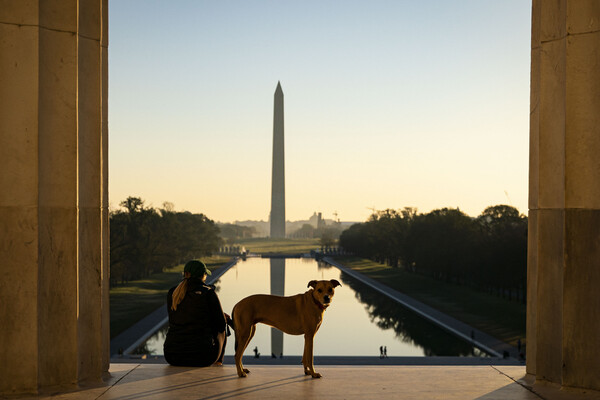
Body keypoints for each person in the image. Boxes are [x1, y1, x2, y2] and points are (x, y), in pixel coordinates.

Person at [163, 260, 230, 367]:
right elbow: (220, 324)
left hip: (172, 356)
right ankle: (218, 363)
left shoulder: (173, 293)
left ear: (185, 274)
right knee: (222, 329)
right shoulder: (208, 293)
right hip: (202, 357)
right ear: (203, 275)